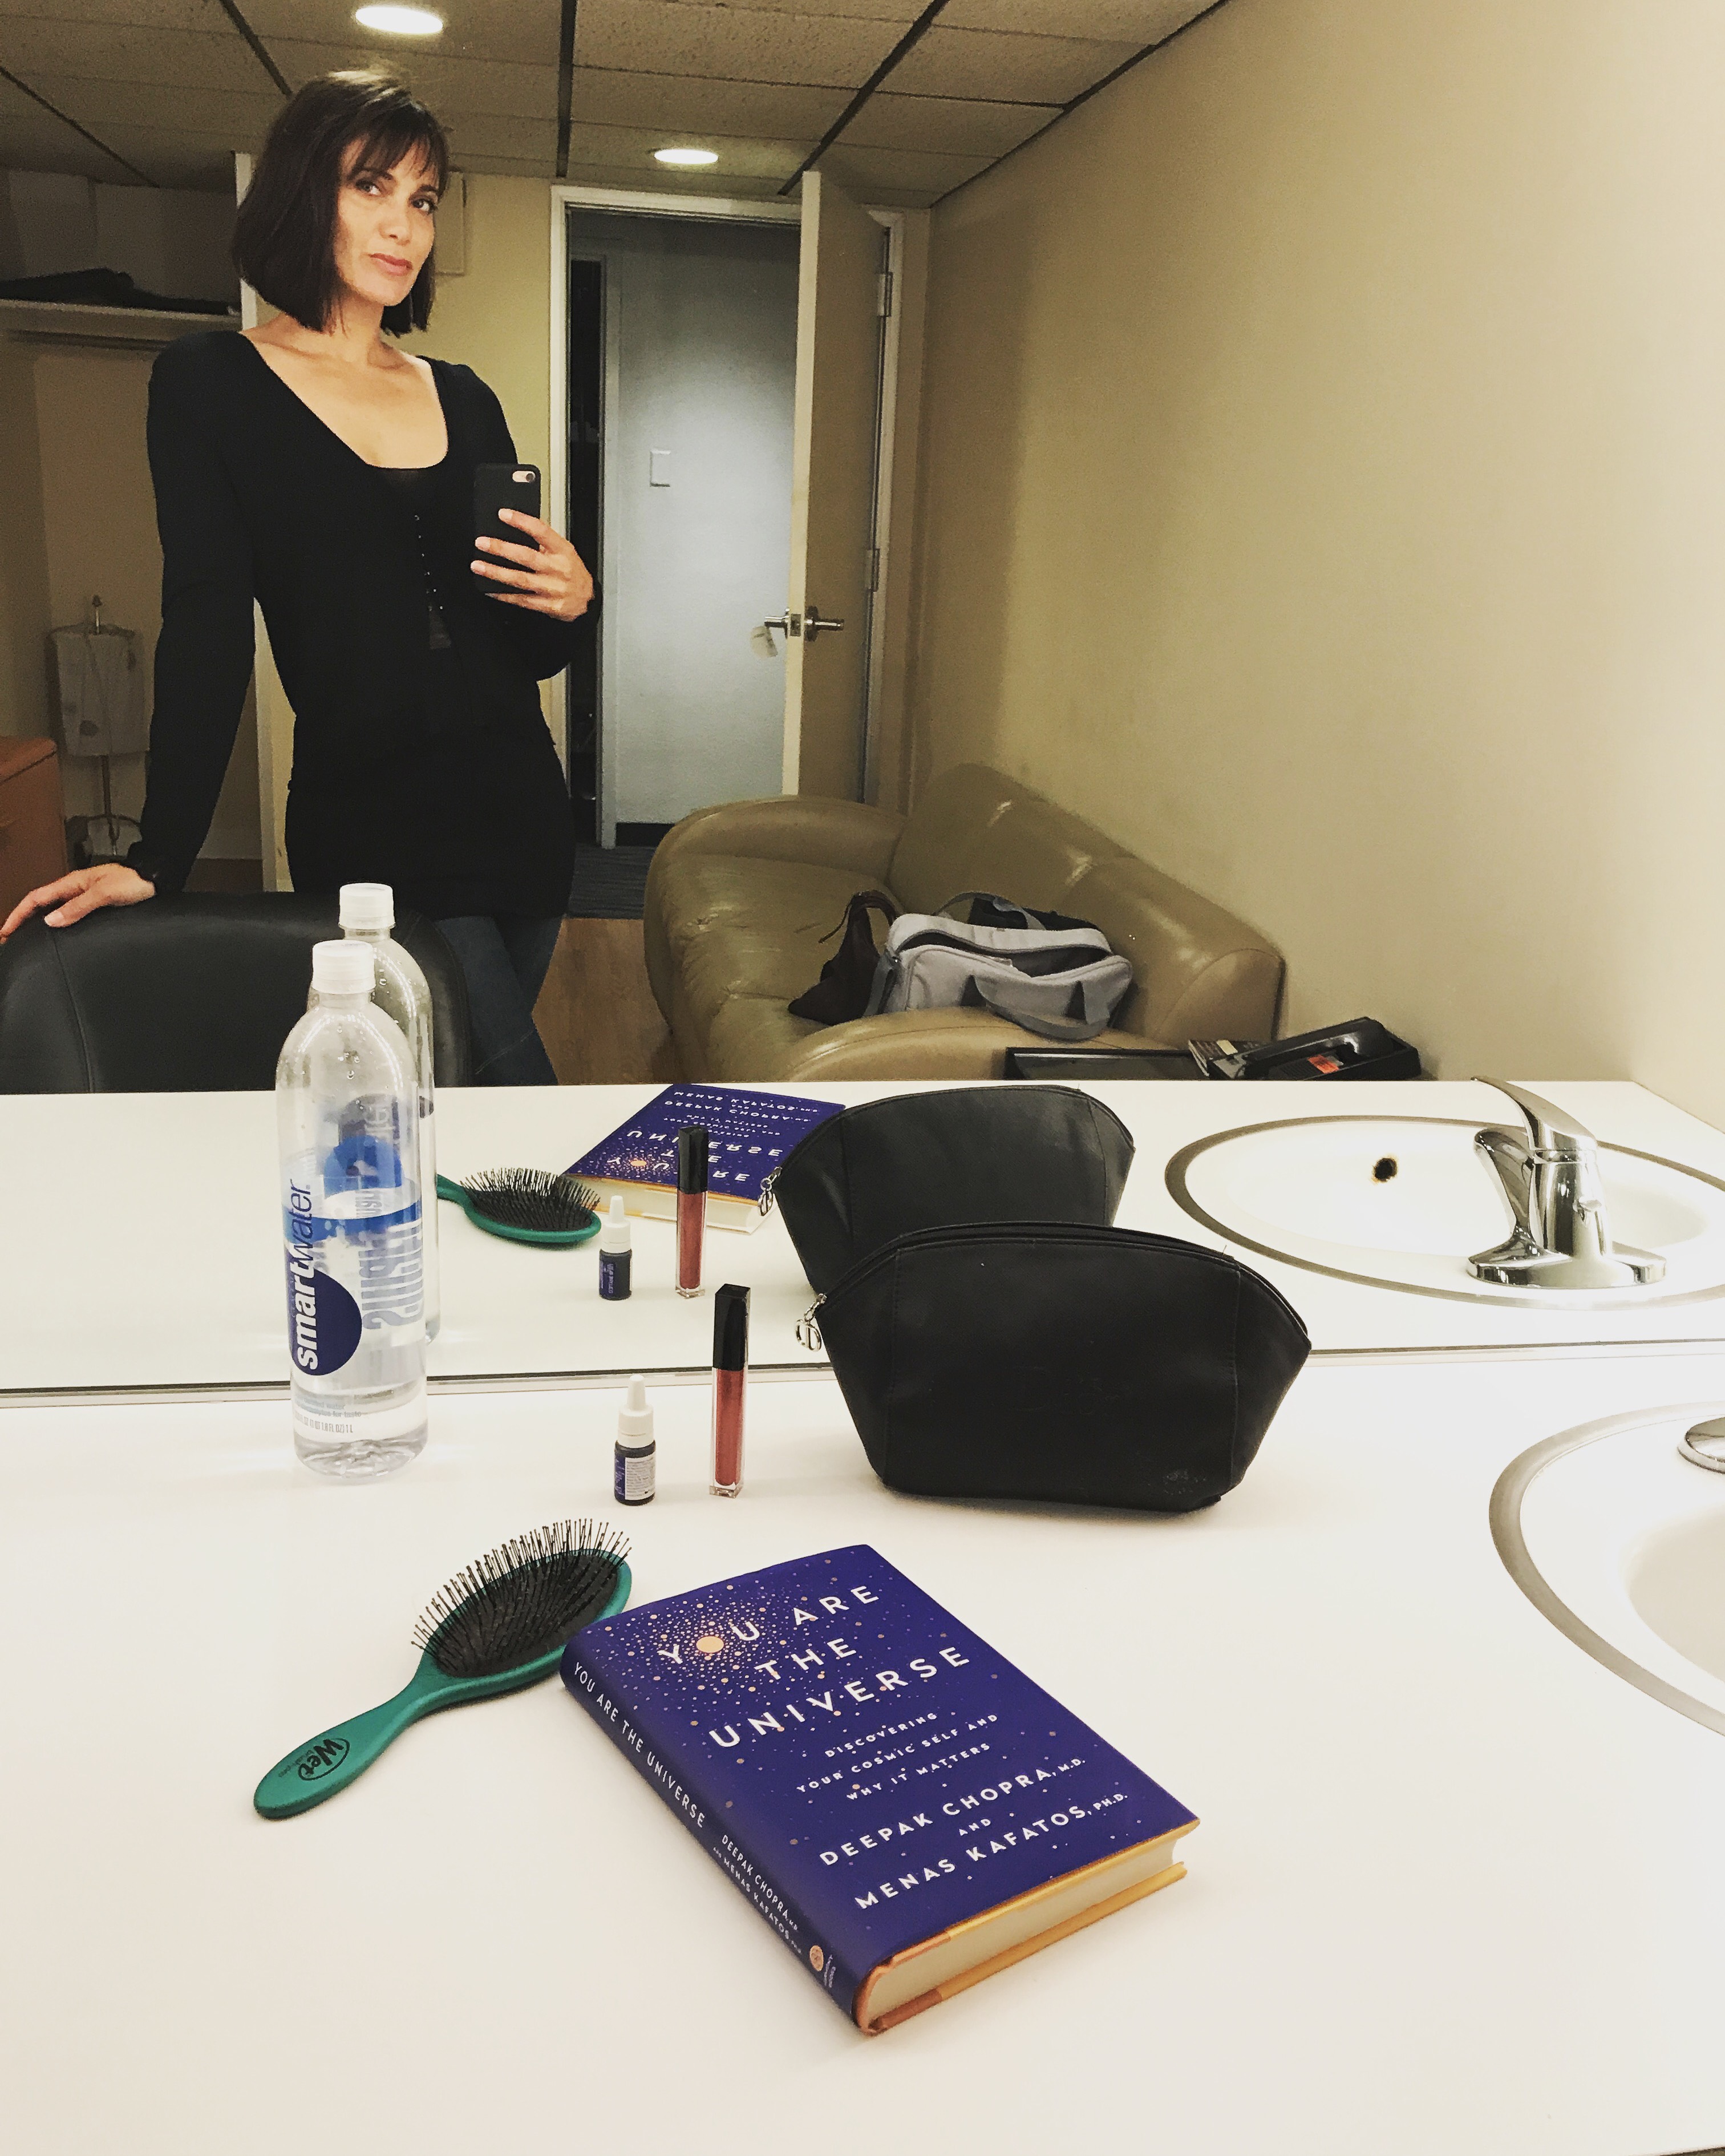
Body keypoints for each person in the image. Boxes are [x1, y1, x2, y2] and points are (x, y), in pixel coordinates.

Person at [0, 71, 592, 1085]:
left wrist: (572, 602)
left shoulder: (465, 397)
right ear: (302, 193)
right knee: (517, 1093)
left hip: (521, 814)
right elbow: (207, 625)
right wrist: (159, 856)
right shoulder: (210, 383)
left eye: (423, 199)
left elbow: (525, 647)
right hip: (374, 829)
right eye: (371, 186)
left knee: (444, 1096)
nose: (404, 224)